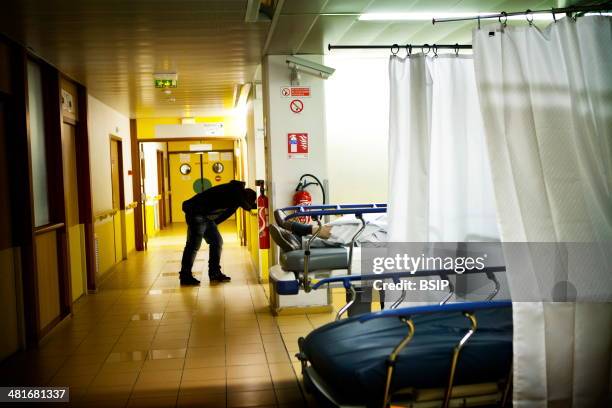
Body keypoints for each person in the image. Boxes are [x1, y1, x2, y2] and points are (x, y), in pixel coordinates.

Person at [179, 180, 256, 285]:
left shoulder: (236, 197)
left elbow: (239, 207)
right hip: (196, 213)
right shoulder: (236, 190)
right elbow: (246, 205)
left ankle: (214, 272)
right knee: (193, 246)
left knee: (216, 241)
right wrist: (253, 206)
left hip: (207, 217)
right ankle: (185, 275)